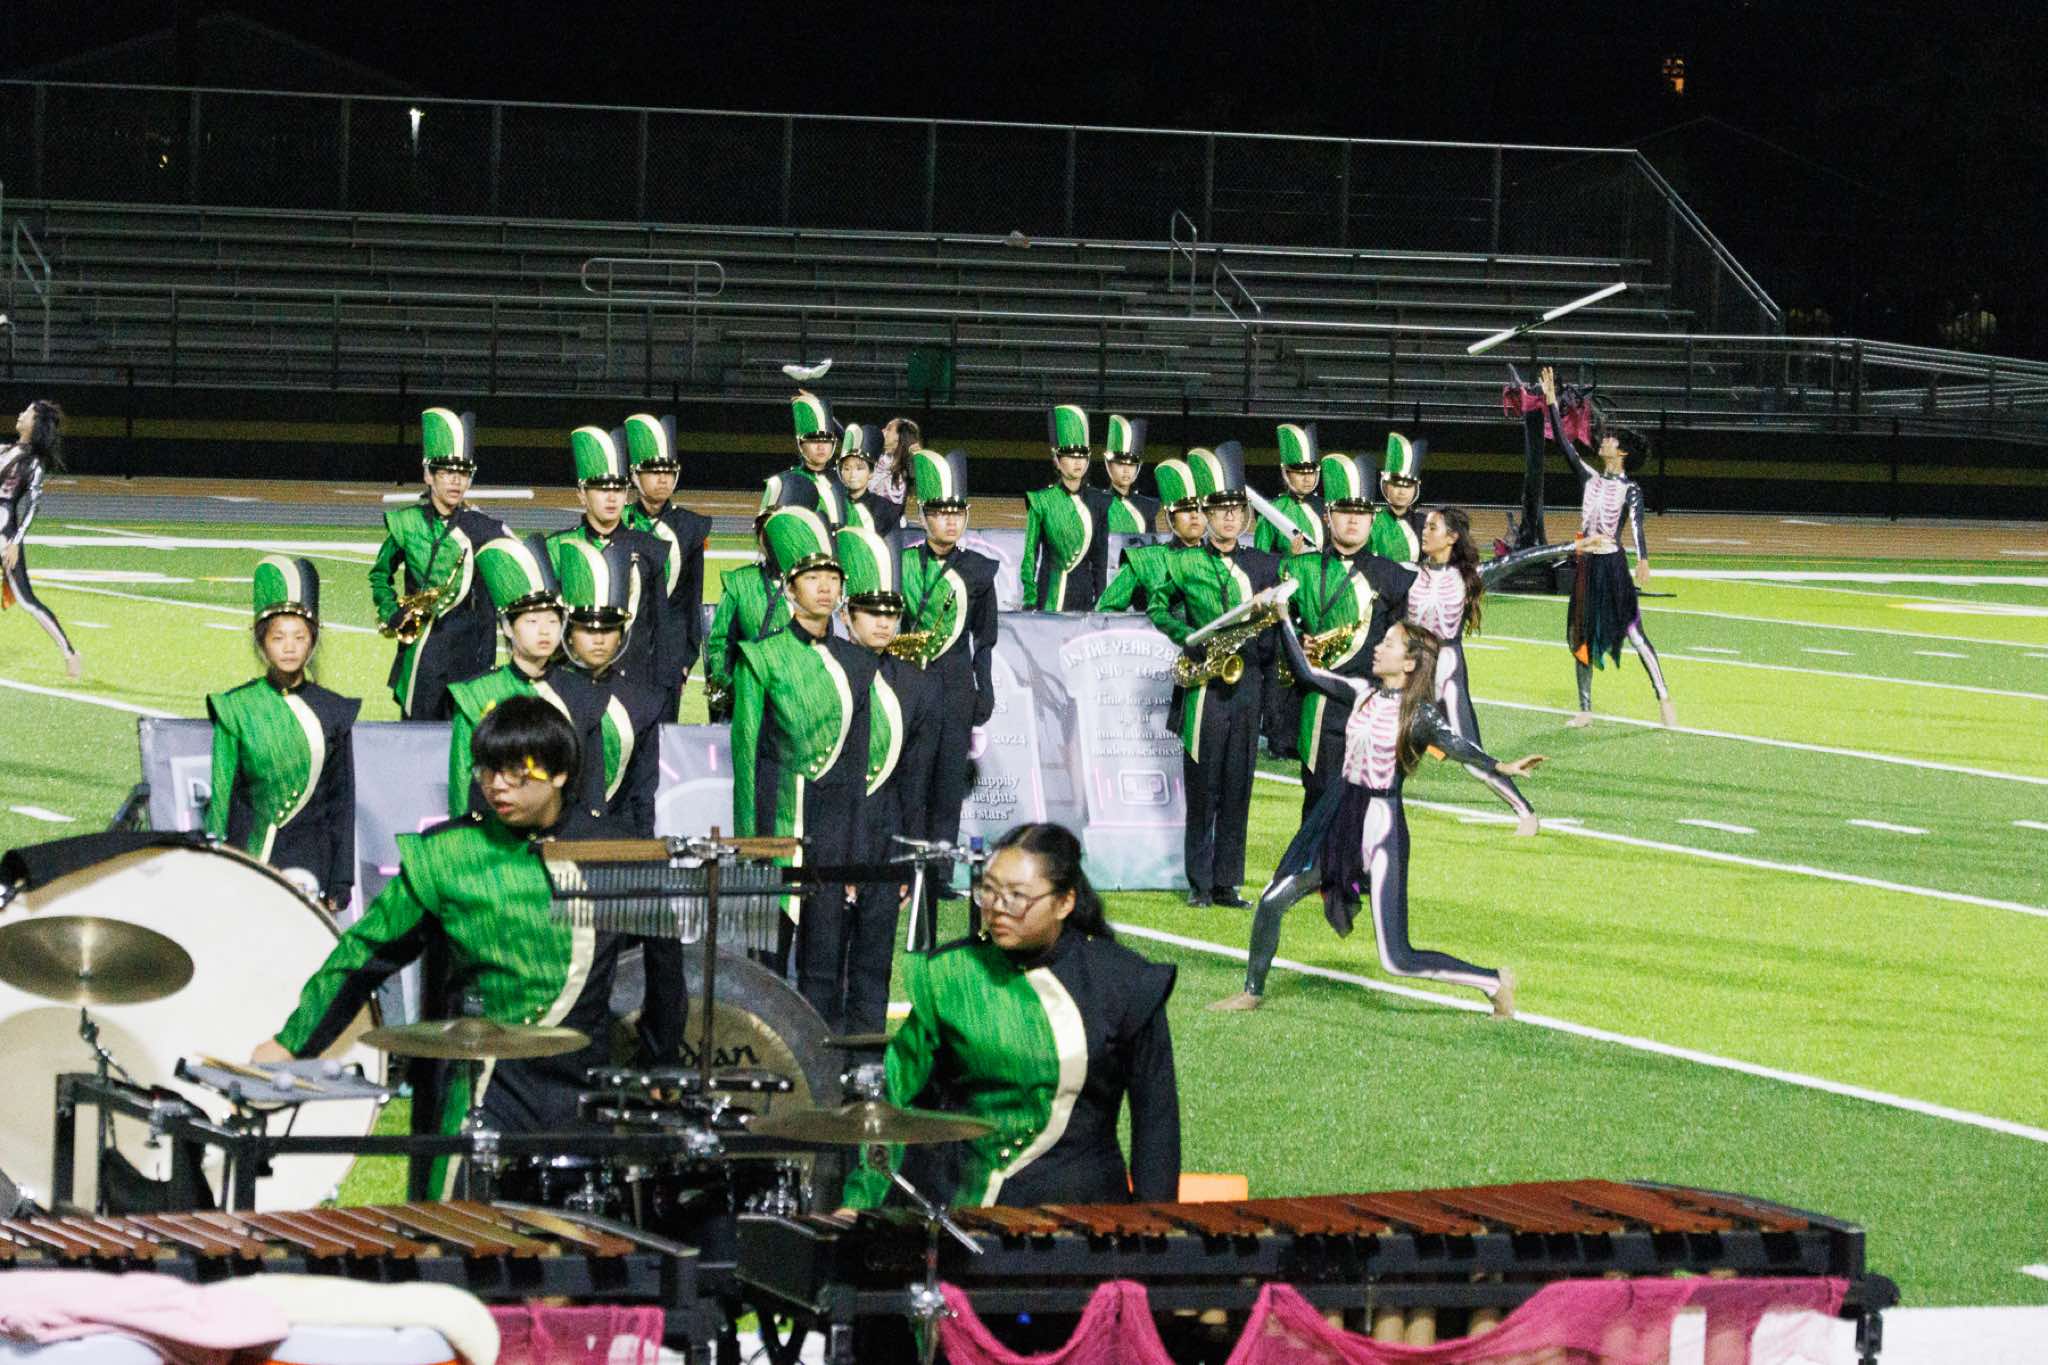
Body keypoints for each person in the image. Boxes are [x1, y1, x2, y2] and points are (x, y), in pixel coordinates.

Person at [255, 697, 683, 1193]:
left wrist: (661, 1061)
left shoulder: (615, 852)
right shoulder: (449, 854)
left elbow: (665, 961)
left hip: (583, 1098)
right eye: (487, 770)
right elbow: (363, 955)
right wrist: (292, 1042)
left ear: (560, 774)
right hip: (483, 1094)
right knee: (456, 1228)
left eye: (515, 772)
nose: (496, 785)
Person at [1213, 619, 1542, 1015]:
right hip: (1340, 814)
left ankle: (1492, 982)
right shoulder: (1361, 692)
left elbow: (1457, 745)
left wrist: (1501, 766)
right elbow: (1305, 673)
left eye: (1388, 644)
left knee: (1396, 958)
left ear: (1409, 663)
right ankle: (1251, 992)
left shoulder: (1419, 715)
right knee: (1272, 899)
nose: (1377, 648)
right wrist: (1281, 617)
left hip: (1381, 827)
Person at [843, 822, 1180, 1210]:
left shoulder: (1125, 983)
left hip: (1078, 1211)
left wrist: (1155, 1227)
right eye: (988, 890)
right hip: (957, 1208)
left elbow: (1156, 1126)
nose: (998, 908)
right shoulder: (951, 974)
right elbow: (896, 1098)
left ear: (1065, 902)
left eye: (1018, 896)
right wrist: (860, 1202)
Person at [730, 507, 877, 1006]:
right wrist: (750, 845)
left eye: (832, 578)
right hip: (776, 821)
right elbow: (746, 759)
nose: (825, 588)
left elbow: (858, 766)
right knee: (765, 964)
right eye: (812, 578)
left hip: (833, 829)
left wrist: (855, 852)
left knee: (825, 962)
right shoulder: (761, 656)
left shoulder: (858, 662)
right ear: (790, 589)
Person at [1146, 441, 1281, 908]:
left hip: (1247, 686)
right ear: (1205, 513)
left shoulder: (1263, 565)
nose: (1228, 518)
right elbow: (1157, 607)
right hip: (1204, 687)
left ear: (1246, 516)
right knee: (1203, 787)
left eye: (1236, 510)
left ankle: (1227, 883)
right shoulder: (1183, 561)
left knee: (1238, 786)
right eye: (1220, 510)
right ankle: (1199, 883)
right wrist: (1188, 636)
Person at [834, 525, 941, 1034]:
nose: (883, 622)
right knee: (822, 971)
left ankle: (867, 1064)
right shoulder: (826, 674)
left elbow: (915, 786)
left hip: (884, 841)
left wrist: (906, 862)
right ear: (846, 615)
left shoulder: (918, 686)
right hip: (829, 843)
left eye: (891, 612)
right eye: (871, 612)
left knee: (874, 966)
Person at [205, 556, 359, 909]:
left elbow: (342, 802)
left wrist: (340, 880)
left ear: (312, 641)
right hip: (250, 853)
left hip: (313, 858)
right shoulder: (236, 707)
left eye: (299, 637)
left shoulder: (334, 710)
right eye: (278, 638)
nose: (289, 647)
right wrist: (216, 862)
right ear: (262, 643)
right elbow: (222, 795)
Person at [1278, 452, 1417, 825]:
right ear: (1328, 516)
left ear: (1372, 519)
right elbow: (1277, 625)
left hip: (1370, 708)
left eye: (1361, 512)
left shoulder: (1394, 577)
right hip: (1319, 705)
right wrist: (1299, 637)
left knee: (1365, 807)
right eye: (1344, 511)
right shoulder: (1299, 568)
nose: (1353, 520)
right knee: (1318, 802)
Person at [1538, 366, 1676, 729]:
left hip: (1612, 567)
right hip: (1587, 566)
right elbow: (1565, 446)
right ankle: (1585, 708)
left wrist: (1643, 559)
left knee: (1634, 632)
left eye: (1611, 440)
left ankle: (1663, 695)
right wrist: (1551, 401)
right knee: (1580, 635)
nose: (1604, 440)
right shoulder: (1590, 478)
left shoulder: (1631, 490)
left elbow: (1637, 524)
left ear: (1623, 453)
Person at [894, 448, 999, 916]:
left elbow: (985, 638)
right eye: (940, 513)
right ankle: (908, 871)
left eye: (957, 513)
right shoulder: (903, 563)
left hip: (956, 684)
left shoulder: (978, 569)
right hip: (911, 685)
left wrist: (984, 688)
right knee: (911, 780)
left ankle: (938, 875)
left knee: (947, 783)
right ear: (924, 516)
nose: (950, 521)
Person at [446, 533, 607, 821]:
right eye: (532, 621)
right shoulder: (476, 693)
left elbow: (591, 784)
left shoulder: (582, 692)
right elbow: (462, 781)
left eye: (553, 621)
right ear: (508, 627)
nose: (544, 631)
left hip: (564, 832)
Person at [369, 408, 507, 720]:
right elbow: (380, 575)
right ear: (428, 475)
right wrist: (391, 611)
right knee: (417, 735)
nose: (456, 481)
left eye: (463, 473)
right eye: (446, 472)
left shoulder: (483, 527)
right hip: (423, 650)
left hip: (470, 651)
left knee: (466, 736)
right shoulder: (407, 523)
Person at [1410, 505, 1540, 826]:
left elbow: (1523, 559)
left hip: (1447, 671)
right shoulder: (1407, 573)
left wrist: (1576, 546)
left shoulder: (1468, 576)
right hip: (1409, 670)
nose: (1425, 532)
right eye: (1424, 526)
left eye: (1433, 527)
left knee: (1469, 754)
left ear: (1452, 537)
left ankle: (1525, 813)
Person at [546, 425, 678, 694]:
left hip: (634, 684)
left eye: (618, 489)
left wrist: (664, 692)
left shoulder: (650, 548)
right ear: (581, 494)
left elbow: (660, 629)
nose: (611, 497)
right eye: (600, 489)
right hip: (572, 680)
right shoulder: (557, 547)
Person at [552, 536, 665, 835]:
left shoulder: (643, 701)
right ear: (569, 632)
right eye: (588, 629)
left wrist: (643, 849)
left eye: (609, 628)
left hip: (619, 838)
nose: (600, 639)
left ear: (622, 634)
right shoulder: (546, 693)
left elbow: (643, 792)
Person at [622, 412, 711, 721]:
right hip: (623, 649)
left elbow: (692, 600)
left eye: (669, 472)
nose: (662, 479)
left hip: (669, 656)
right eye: (653, 472)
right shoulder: (619, 520)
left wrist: (686, 659)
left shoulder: (690, 527)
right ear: (635, 476)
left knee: (661, 736)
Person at [0, 399, 80, 678]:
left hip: (4, 536)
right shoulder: (5, 450)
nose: (20, 414)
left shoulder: (33, 464)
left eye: (26, 412)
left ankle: (70, 653)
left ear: (34, 424)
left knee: (26, 600)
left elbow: (33, 505)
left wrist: (15, 542)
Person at [703, 499, 794, 724]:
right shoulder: (740, 582)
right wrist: (732, 686)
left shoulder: (812, 583)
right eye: (767, 532)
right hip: (747, 698)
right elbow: (720, 643)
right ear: (759, 540)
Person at [1021, 403, 1112, 611]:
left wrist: (1101, 601)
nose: (1078, 462)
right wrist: (1030, 598)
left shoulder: (1099, 502)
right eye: (1071, 456)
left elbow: (1100, 560)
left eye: (1082, 455)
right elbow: (1030, 555)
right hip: (1049, 594)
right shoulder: (1041, 501)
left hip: (1083, 595)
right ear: (1057, 459)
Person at [1097, 457, 1201, 613]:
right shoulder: (1143, 561)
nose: (1194, 516)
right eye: (1185, 510)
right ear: (1170, 518)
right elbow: (1105, 612)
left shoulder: (1222, 561)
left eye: (1199, 509)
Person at [762, 390, 846, 528]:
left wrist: (820, 410)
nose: (821, 447)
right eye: (813, 440)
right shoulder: (786, 482)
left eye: (826, 441)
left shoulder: (845, 477)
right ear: (800, 444)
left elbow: (853, 444)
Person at [1253, 422, 1325, 556]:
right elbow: (1259, 559)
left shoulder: (1326, 507)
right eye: (1300, 473)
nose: (1307, 479)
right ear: (1286, 472)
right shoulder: (1273, 510)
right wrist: (1289, 556)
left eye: (1311, 472)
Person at [836, 420, 902, 537]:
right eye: (847, 468)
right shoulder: (834, 505)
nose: (852, 474)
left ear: (871, 472)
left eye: (859, 468)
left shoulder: (886, 510)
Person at [1368, 433, 1427, 561]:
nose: (1402, 492)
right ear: (1385, 486)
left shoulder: (1424, 523)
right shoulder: (1372, 520)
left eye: (1408, 486)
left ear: (1415, 489)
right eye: (1396, 485)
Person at [1101, 414, 1160, 536]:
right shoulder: (1098, 502)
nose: (1126, 470)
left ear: (1138, 467)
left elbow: (1150, 540)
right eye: (1120, 464)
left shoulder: (1148, 506)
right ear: (1108, 465)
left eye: (1131, 465)